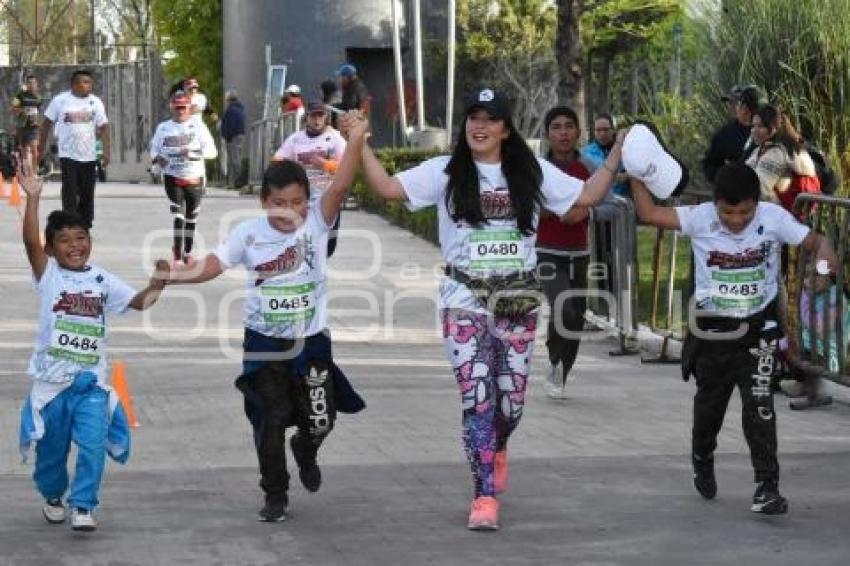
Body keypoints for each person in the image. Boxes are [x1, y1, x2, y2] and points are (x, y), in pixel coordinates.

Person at [358, 87, 625, 530]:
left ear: (505, 128)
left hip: (516, 301)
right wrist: (359, 143)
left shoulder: (530, 170)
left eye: (490, 119)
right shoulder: (445, 171)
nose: (479, 126)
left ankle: (498, 447)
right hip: (463, 300)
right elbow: (387, 188)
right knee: (478, 397)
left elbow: (587, 198)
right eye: (473, 118)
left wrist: (615, 157)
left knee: (511, 404)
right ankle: (483, 494)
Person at [156, 113, 369, 523]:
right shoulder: (249, 233)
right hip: (264, 344)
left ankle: (306, 447)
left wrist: (356, 138)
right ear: (263, 201)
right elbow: (214, 264)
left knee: (322, 418)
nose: (288, 212)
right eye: (277, 204)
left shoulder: (319, 223)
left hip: (311, 342)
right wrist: (173, 276)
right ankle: (275, 493)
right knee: (268, 420)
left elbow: (341, 183)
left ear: (308, 201)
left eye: (295, 203)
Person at [630, 162, 837, 515]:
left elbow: (817, 242)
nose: (737, 220)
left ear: (758, 203)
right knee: (711, 407)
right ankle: (702, 455)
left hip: (757, 329)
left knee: (760, 404)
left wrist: (824, 263)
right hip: (713, 330)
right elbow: (648, 213)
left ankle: (767, 485)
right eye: (728, 212)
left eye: (745, 211)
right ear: (715, 204)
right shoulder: (699, 218)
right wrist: (635, 170)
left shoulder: (773, 218)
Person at [16, 150, 166, 532]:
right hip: (52, 387)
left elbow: (138, 303)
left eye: (81, 238)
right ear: (51, 249)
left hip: (91, 385)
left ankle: (83, 504)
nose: (74, 245)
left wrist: (158, 284)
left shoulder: (101, 280)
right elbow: (30, 244)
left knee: (92, 444)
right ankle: (53, 494)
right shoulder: (48, 275)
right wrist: (33, 197)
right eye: (64, 241)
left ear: (90, 241)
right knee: (51, 455)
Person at [536, 106, 592, 399]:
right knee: (563, 308)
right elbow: (534, 206)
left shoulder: (589, 167)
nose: (563, 132)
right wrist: (567, 208)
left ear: (578, 132)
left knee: (576, 317)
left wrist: (585, 207)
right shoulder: (536, 169)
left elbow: (602, 201)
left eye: (569, 126)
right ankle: (555, 360)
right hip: (546, 252)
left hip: (579, 253)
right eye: (556, 127)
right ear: (547, 134)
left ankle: (561, 370)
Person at [149, 91, 218, 266]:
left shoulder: (199, 127)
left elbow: (212, 152)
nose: (180, 111)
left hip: (195, 177)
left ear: (189, 108)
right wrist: (158, 158)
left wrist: (192, 153)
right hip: (172, 176)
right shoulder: (163, 127)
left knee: (191, 218)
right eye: (177, 107)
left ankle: (188, 252)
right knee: (178, 216)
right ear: (171, 107)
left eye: (183, 107)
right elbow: (153, 149)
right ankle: (178, 257)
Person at [273, 99, 347, 257]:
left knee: (328, 248)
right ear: (307, 117)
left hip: (328, 198)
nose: (317, 120)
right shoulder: (295, 139)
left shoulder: (335, 139)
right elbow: (277, 161)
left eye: (321, 115)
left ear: (326, 117)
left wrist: (325, 164)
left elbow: (347, 167)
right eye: (314, 116)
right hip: (303, 200)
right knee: (305, 244)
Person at [38, 69, 111, 229]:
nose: (88, 86)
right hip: (68, 154)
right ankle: (69, 223)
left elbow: (104, 127)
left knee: (87, 192)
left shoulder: (96, 102)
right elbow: (46, 125)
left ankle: (85, 225)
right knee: (70, 191)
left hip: (89, 155)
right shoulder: (60, 101)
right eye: (84, 82)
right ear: (74, 84)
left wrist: (106, 152)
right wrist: (40, 150)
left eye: (90, 83)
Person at [746, 105, 818, 209]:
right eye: (753, 126)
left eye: (760, 126)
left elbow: (761, 191)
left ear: (774, 128)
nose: (754, 130)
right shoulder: (761, 149)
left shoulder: (777, 153)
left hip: (777, 215)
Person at [702, 85, 763, 182]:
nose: (730, 107)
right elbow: (710, 163)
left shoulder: (766, 131)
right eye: (729, 103)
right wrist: (724, 178)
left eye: (734, 103)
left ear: (746, 107)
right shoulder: (724, 133)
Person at [582, 114, 628, 197]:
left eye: (606, 130)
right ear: (594, 132)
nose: (602, 134)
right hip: (596, 199)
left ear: (613, 130)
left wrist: (627, 176)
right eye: (598, 130)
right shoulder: (585, 153)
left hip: (623, 199)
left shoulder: (625, 149)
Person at [221, 90, 247, 189]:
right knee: (235, 159)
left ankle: (238, 181)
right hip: (237, 136)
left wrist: (227, 136)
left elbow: (231, 125)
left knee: (234, 159)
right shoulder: (239, 108)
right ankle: (233, 182)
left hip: (233, 137)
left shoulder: (232, 110)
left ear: (228, 99)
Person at [11, 74, 43, 154]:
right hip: (22, 126)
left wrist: (38, 122)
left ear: (36, 84)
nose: (31, 85)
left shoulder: (39, 98)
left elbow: (38, 111)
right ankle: (26, 166)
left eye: (33, 83)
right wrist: (23, 110)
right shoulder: (19, 96)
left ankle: (35, 167)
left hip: (33, 127)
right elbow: (12, 108)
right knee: (25, 151)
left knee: (34, 150)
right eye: (29, 83)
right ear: (26, 84)